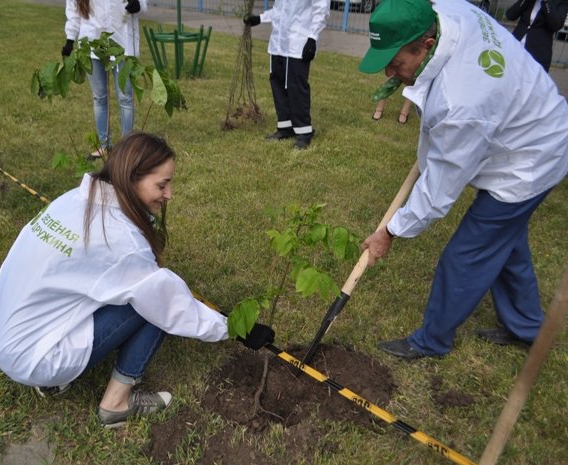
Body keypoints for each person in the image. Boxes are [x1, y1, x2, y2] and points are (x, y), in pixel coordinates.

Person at [0, 132, 275, 427]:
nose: (169, 194)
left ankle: (53, 379)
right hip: (37, 357)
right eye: (162, 184)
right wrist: (234, 328)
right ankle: (116, 404)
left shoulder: (72, 201)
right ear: (130, 178)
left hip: (2, 339)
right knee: (152, 301)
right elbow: (169, 305)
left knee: (143, 289)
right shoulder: (122, 241)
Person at [358, 0, 568, 359]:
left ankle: (432, 340)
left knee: (465, 256)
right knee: (505, 243)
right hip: (536, 119)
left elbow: (438, 190)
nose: (390, 74)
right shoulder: (446, 12)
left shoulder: (461, 102)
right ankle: (528, 326)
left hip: (532, 157)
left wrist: (389, 231)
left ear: (426, 44)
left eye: (396, 64)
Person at [62, 0, 147, 158]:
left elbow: (142, 3)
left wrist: (138, 5)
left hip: (123, 43)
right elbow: (73, 10)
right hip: (92, 43)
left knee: (125, 97)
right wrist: (70, 39)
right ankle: (104, 145)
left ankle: (126, 147)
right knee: (99, 97)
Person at [243, 0, 330, 150]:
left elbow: (321, 10)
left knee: (296, 87)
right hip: (278, 44)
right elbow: (280, 10)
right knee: (278, 85)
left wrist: (312, 38)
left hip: (298, 42)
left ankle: (304, 132)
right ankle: (285, 127)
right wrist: (260, 18)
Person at [505, 0, 568, 72]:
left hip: (537, 54)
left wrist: (546, 2)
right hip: (515, 48)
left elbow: (556, 25)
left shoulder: (562, 2)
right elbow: (510, 15)